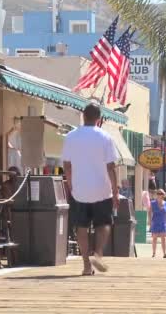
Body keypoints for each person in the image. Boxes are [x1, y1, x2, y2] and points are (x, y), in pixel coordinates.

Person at [62, 103, 119, 276]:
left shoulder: (71, 137)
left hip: (80, 190)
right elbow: (111, 167)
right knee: (103, 224)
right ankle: (98, 252)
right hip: (102, 190)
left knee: (81, 227)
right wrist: (115, 190)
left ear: (83, 116)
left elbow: (67, 165)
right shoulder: (105, 137)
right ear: (99, 119)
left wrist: (71, 185)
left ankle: (87, 265)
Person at [150, 189, 166, 259]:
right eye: (158, 193)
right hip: (155, 222)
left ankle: (164, 253)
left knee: (163, 238)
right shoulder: (152, 203)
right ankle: (154, 253)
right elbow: (150, 213)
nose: (159, 195)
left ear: (163, 195)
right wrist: (150, 222)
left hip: (163, 223)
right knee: (154, 238)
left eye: (160, 193)